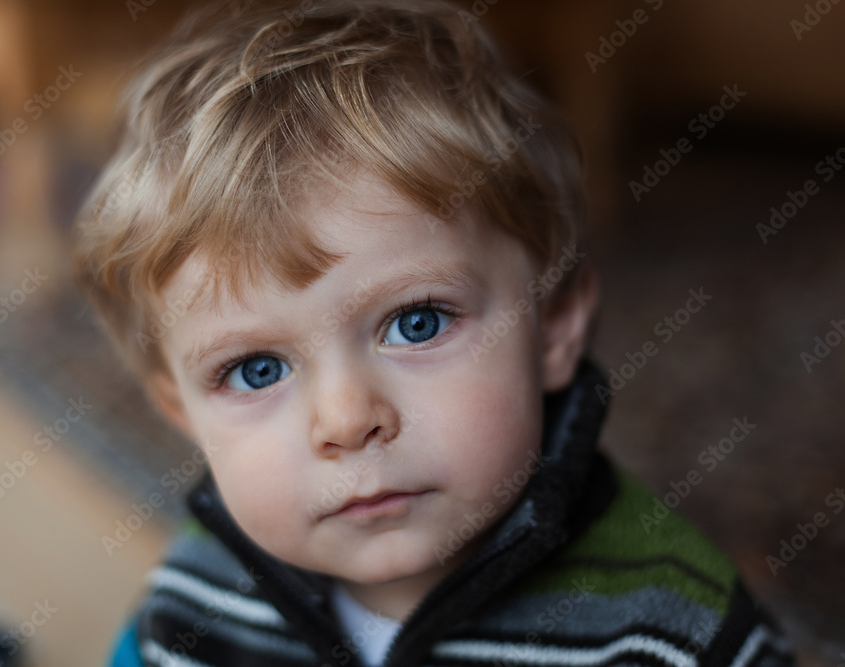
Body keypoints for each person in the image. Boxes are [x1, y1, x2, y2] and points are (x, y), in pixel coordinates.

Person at [71, 1, 797, 665]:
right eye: (257, 369)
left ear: (553, 326)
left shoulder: (672, 631)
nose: (348, 419)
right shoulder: (196, 598)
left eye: (416, 324)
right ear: (179, 410)